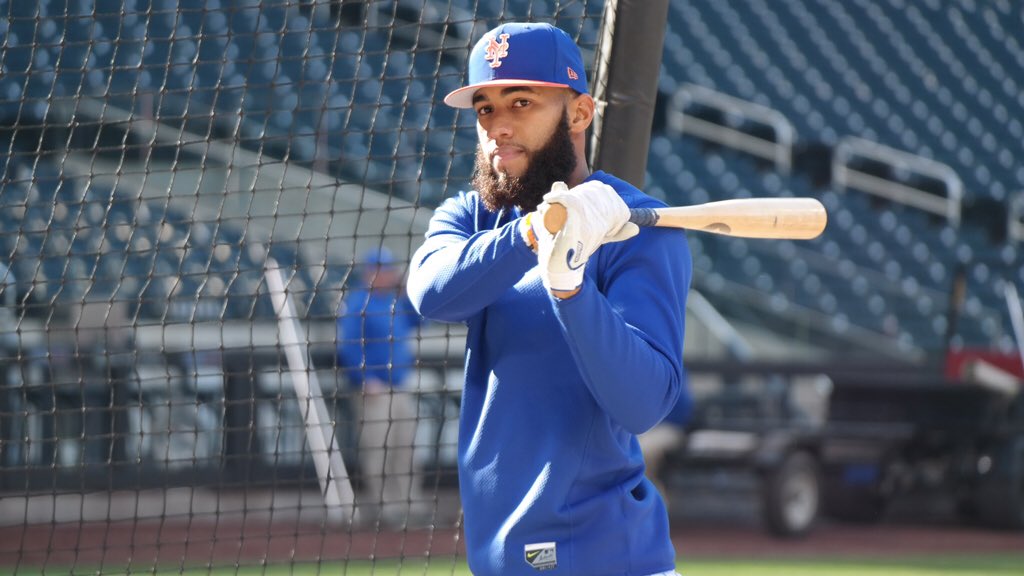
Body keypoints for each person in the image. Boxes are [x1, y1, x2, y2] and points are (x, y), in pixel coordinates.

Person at [406, 22, 692, 576]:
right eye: (485, 108)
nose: (499, 128)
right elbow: (430, 293)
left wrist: (571, 287)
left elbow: (643, 403)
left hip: (609, 561)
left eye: (522, 102)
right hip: (499, 560)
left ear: (579, 114)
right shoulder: (472, 217)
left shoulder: (640, 228)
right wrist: (531, 235)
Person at [337, 247, 425, 528]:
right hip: (374, 390)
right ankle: (387, 511)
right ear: (369, 272)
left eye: (388, 270)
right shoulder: (358, 302)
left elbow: (419, 320)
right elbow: (348, 346)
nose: (387, 275)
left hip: (400, 387)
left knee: (406, 449)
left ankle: (411, 507)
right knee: (379, 452)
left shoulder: (395, 301)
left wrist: (407, 291)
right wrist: (364, 379)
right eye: (382, 270)